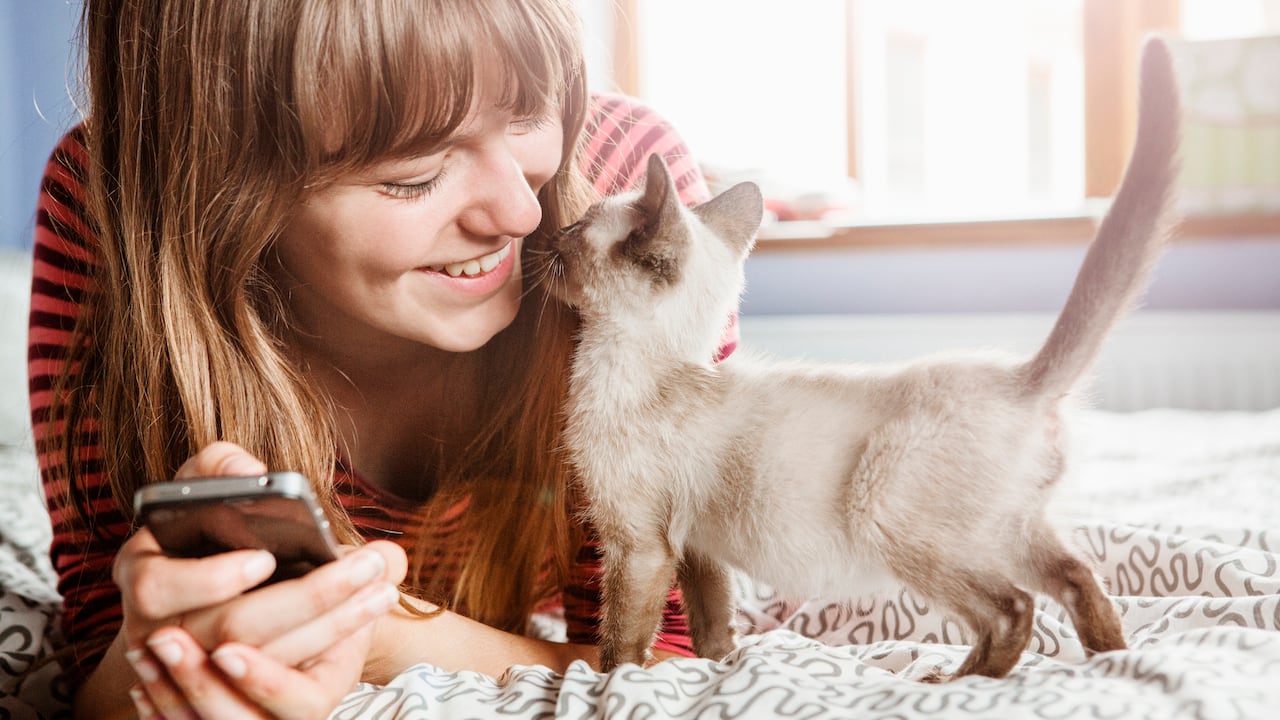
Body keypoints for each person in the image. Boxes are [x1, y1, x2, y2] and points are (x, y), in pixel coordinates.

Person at [28, 1, 737, 717]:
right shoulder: (110, 199)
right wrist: (168, 651)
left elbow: (679, 665)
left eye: (528, 112)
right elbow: (101, 657)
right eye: (415, 173)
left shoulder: (631, 203)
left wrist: (382, 634)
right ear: (219, 184)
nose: (523, 214)